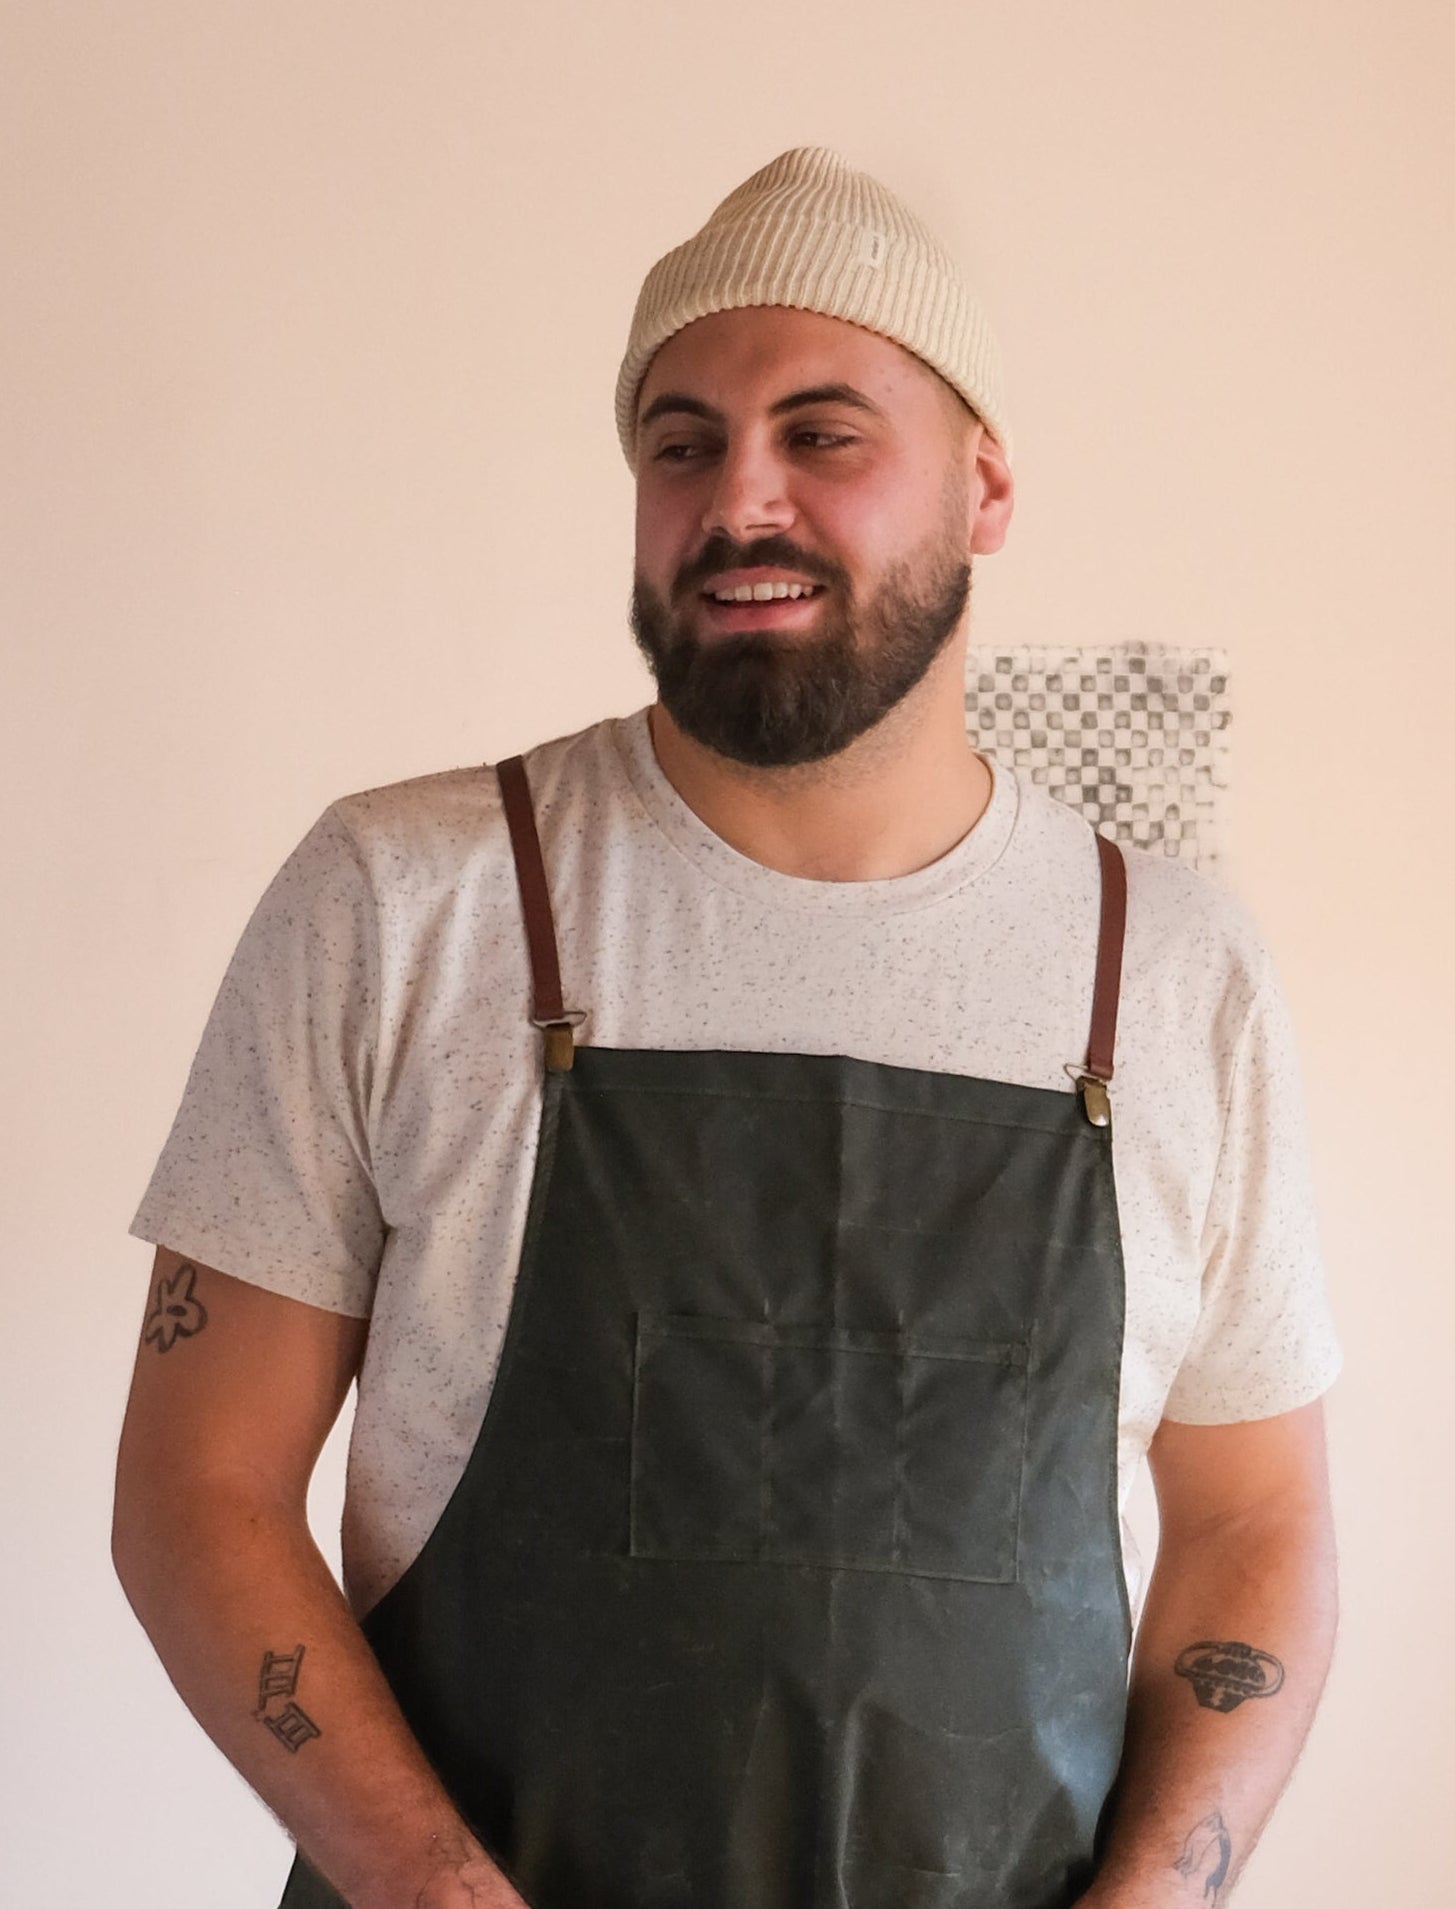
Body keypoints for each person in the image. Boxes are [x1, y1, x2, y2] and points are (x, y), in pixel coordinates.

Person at [113, 146, 1341, 1909]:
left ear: (986, 486)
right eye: (680, 443)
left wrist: (1162, 1893)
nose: (739, 497)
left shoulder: (1168, 973)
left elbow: (1256, 1519)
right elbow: (197, 1486)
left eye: (823, 434)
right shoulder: (408, 900)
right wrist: (433, 1887)